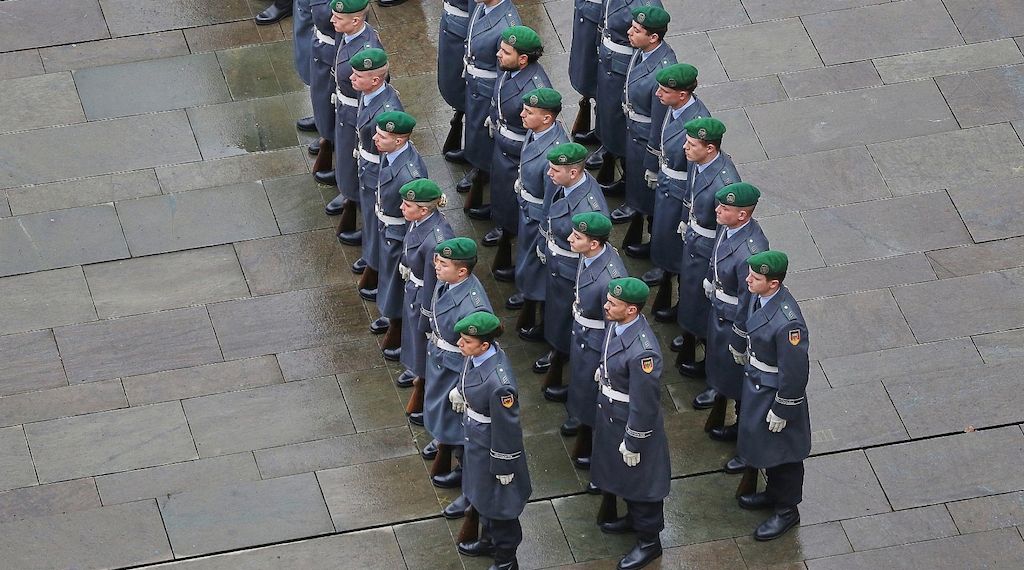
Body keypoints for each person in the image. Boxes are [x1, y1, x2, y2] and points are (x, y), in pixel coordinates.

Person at [591, 277, 670, 570]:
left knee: (642, 481)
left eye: (613, 304)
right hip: (613, 413)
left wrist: (635, 439)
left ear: (632, 310)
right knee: (624, 475)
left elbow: (645, 403)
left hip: (631, 421)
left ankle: (649, 541)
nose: (606, 306)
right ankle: (634, 519)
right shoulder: (618, 324)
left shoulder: (643, 352)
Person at [733, 250, 811, 542]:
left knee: (784, 452)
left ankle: (787, 509)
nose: (748, 280)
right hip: (757, 382)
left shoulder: (788, 322)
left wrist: (783, 408)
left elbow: (794, 372)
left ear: (774, 284)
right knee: (765, 444)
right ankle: (773, 494)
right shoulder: (760, 295)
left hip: (773, 391)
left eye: (756, 278)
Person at [449, 311, 532, 570]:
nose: (461, 344)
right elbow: (470, 378)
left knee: (500, 508)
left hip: (492, 448)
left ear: (485, 345)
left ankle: (506, 560)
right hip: (477, 440)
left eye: (467, 341)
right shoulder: (477, 357)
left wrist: (504, 465)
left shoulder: (500, 384)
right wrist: (461, 391)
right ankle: (489, 541)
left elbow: (507, 428)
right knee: (484, 499)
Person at [702, 183, 769, 477]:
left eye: (725, 208)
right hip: (720, 311)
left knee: (742, 387)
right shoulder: (727, 229)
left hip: (734, 321)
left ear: (742, 215)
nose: (717, 211)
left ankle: (746, 442)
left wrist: (741, 338)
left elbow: (749, 300)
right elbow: (716, 259)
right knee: (724, 373)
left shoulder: (751, 251)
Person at [477, 26, 551, 281]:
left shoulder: (535, 88)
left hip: (519, 153)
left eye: (505, 52)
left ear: (523, 59)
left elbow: (541, 126)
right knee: (501, 193)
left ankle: (510, 236)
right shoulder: (509, 70)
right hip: (502, 145)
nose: (498, 54)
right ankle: (503, 226)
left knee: (514, 201)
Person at [423, 238, 494, 505]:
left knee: (462, 428)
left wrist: (463, 386)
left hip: (456, 368)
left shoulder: (473, 305)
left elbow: (478, 351)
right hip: (442, 360)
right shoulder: (449, 281)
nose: (436, 267)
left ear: (462, 271)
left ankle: (467, 478)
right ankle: (444, 439)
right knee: (442, 414)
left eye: (443, 264)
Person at [535, 143, 608, 397]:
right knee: (556, 310)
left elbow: (590, 250)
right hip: (557, 259)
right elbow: (548, 212)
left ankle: (562, 353)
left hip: (572, 268)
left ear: (574, 173)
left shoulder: (589, 207)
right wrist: (544, 241)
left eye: (555, 170)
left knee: (568, 315)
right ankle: (556, 346)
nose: (549, 174)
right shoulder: (561, 183)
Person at [675, 117, 740, 390]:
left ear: (710, 149)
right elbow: (692, 196)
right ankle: (691, 332)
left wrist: (713, 270)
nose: (685, 148)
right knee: (689, 295)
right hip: (695, 239)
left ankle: (706, 349)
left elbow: (727, 232)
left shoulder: (724, 184)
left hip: (707, 250)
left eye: (692, 144)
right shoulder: (700, 163)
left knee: (704, 306)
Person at [560, 212, 625, 481]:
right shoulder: (590, 258)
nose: (569, 239)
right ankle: (583, 423)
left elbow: (613, 324)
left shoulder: (608, 277)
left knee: (592, 393)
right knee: (581, 387)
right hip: (584, 334)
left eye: (577, 237)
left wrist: (605, 361)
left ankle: (593, 439)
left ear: (594, 244)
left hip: (596, 342)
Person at [643, 63, 708, 327]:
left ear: (682, 95)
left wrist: (685, 211)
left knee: (677, 246)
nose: (658, 93)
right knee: (664, 236)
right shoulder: (672, 108)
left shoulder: (696, 124)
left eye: (664, 90)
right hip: (668, 180)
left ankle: (678, 295)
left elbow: (696, 172)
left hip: (680, 190)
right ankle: (665, 268)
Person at [508, 88, 569, 339]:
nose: (522, 114)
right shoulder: (536, 134)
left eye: (529, 112)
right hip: (527, 210)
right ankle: (529, 295)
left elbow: (552, 202)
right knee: (527, 261)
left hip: (538, 217)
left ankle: (541, 313)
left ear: (547, 118)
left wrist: (545, 234)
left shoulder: (555, 153)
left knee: (538, 267)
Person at [587, 0, 664, 194]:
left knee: (617, 116)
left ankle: (624, 172)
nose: (632, 30)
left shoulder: (648, 6)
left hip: (621, 63)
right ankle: (607, 143)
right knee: (606, 109)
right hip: (609, 57)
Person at [368, 111, 427, 362]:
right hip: (388, 227)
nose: (375, 139)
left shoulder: (409, 173)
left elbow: (415, 214)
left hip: (399, 233)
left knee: (396, 282)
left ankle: (397, 322)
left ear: (399, 141)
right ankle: (390, 313)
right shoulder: (392, 155)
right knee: (388, 277)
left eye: (382, 136)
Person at [347, 48, 404, 302]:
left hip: (377, 173)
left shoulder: (386, 111)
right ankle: (371, 258)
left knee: (375, 221)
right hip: (367, 166)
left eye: (358, 76)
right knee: (370, 220)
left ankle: (376, 266)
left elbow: (389, 154)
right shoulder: (369, 95)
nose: (351, 78)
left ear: (376, 80)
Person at [617, 6, 676, 251]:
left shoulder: (662, 71)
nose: (630, 32)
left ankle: (653, 239)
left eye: (637, 30)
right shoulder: (642, 52)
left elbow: (661, 123)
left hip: (646, 138)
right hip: (634, 131)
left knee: (650, 195)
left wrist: (653, 163)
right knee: (637, 185)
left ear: (653, 37)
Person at [453, 0, 522, 202]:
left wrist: (496, 107)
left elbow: (505, 75)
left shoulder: (507, 25)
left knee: (485, 134)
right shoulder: (482, 6)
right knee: (475, 129)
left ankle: (483, 169)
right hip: (475, 83)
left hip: (488, 89)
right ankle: (475, 160)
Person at [394, 179, 453, 414]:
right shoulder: (419, 221)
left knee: (421, 341)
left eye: (407, 205)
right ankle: (416, 369)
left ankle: (422, 382)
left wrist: (428, 318)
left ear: (424, 209)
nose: (401, 208)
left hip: (423, 295)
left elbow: (434, 284)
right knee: (413, 340)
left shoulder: (436, 240)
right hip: (414, 287)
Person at [325, 0, 383, 232]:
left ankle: (354, 197)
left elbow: (371, 93)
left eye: (338, 19)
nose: (332, 21)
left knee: (354, 160)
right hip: (344, 106)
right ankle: (348, 191)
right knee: (345, 158)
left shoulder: (367, 51)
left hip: (354, 112)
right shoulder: (349, 34)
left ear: (356, 20)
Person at [308, 0, 344, 184]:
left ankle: (346, 184)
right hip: (322, 48)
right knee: (322, 104)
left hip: (334, 57)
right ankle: (327, 137)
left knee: (333, 114)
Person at [437, 0, 472, 157]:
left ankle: (476, 158)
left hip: (465, 28)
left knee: (471, 96)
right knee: (453, 83)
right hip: (452, 22)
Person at [567, 0, 601, 143]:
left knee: (601, 78)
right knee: (584, 67)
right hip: (588, 9)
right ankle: (601, 129)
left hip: (602, 10)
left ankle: (606, 134)